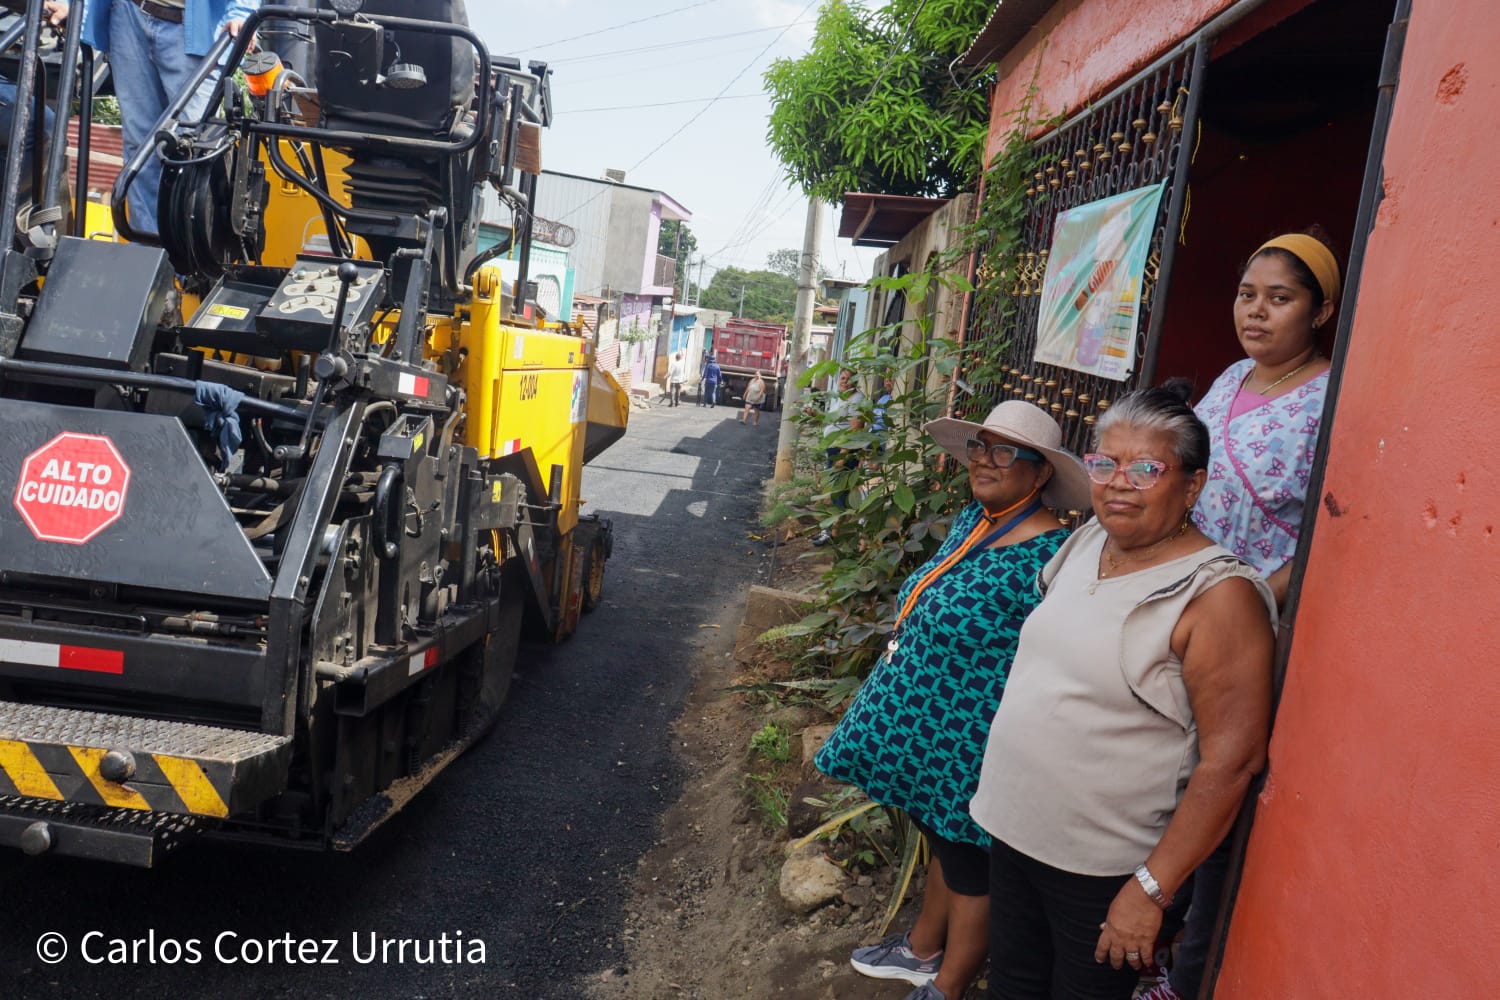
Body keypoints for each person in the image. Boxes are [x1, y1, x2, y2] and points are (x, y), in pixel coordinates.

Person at [970, 381, 1277, 1000]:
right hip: (1014, 834)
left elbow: (1232, 761)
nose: (1117, 483)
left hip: (1102, 872)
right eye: (1104, 463)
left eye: (1146, 469)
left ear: (1192, 485)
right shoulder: (1089, 541)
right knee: (1012, 987)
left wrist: (1151, 888)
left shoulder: (1218, 596)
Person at [817, 401, 1090, 1000]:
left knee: (972, 866)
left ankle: (949, 985)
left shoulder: (1048, 556)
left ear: (1040, 473)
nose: (983, 462)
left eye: (1002, 452)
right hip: (927, 736)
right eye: (978, 447)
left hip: (971, 740)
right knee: (942, 839)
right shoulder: (979, 518)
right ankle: (922, 947)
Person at [1136, 230, 1341, 1000]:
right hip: (1183, 607)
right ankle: (1146, 929)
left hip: (1250, 620)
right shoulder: (1230, 377)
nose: (1256, 312)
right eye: (1247, 294)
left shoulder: (1329, 396)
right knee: (1164, 769)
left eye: (1280, 298)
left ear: (1319, 312)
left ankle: (1183, 974)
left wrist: (1246, 598)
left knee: (1217, 786)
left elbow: (1323, 529)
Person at [82, 0, 259, 238]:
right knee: (140, 146)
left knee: (194, 152)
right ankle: (146, 258)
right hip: (129, 17)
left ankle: (190, 263)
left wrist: (242, 12)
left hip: (191, 27)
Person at [810, 368, 864, 546]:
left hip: (843, 451)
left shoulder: (857, 400)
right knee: (833, 491)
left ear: (855, 381)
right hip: (833, 450)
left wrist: (843, 456)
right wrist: (816, 416)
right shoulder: (840, 398)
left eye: (849, 379)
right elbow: (833, 421)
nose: (844, 381)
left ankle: (832, 532)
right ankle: (830, 530)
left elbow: (855, 429)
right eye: (842, 378)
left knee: (840, 492)